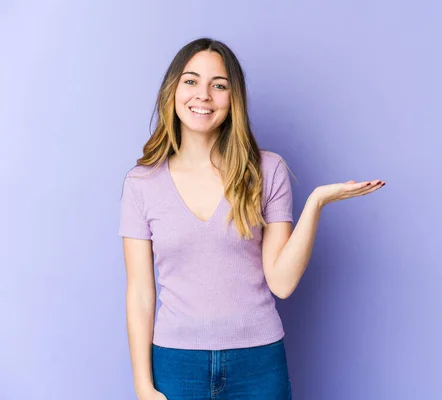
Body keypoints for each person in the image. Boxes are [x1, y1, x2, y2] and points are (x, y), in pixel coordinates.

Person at [118, 37, 385, 400]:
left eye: (219, 85)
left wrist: (316, 203)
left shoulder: (266, 170)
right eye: (191, 81)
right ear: (173, 91)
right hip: (176, 364)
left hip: (258, 363)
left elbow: (282, 282)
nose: (204, 95)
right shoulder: (141, 183)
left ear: (234, 99)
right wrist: (142, 385)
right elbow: (139, 293)